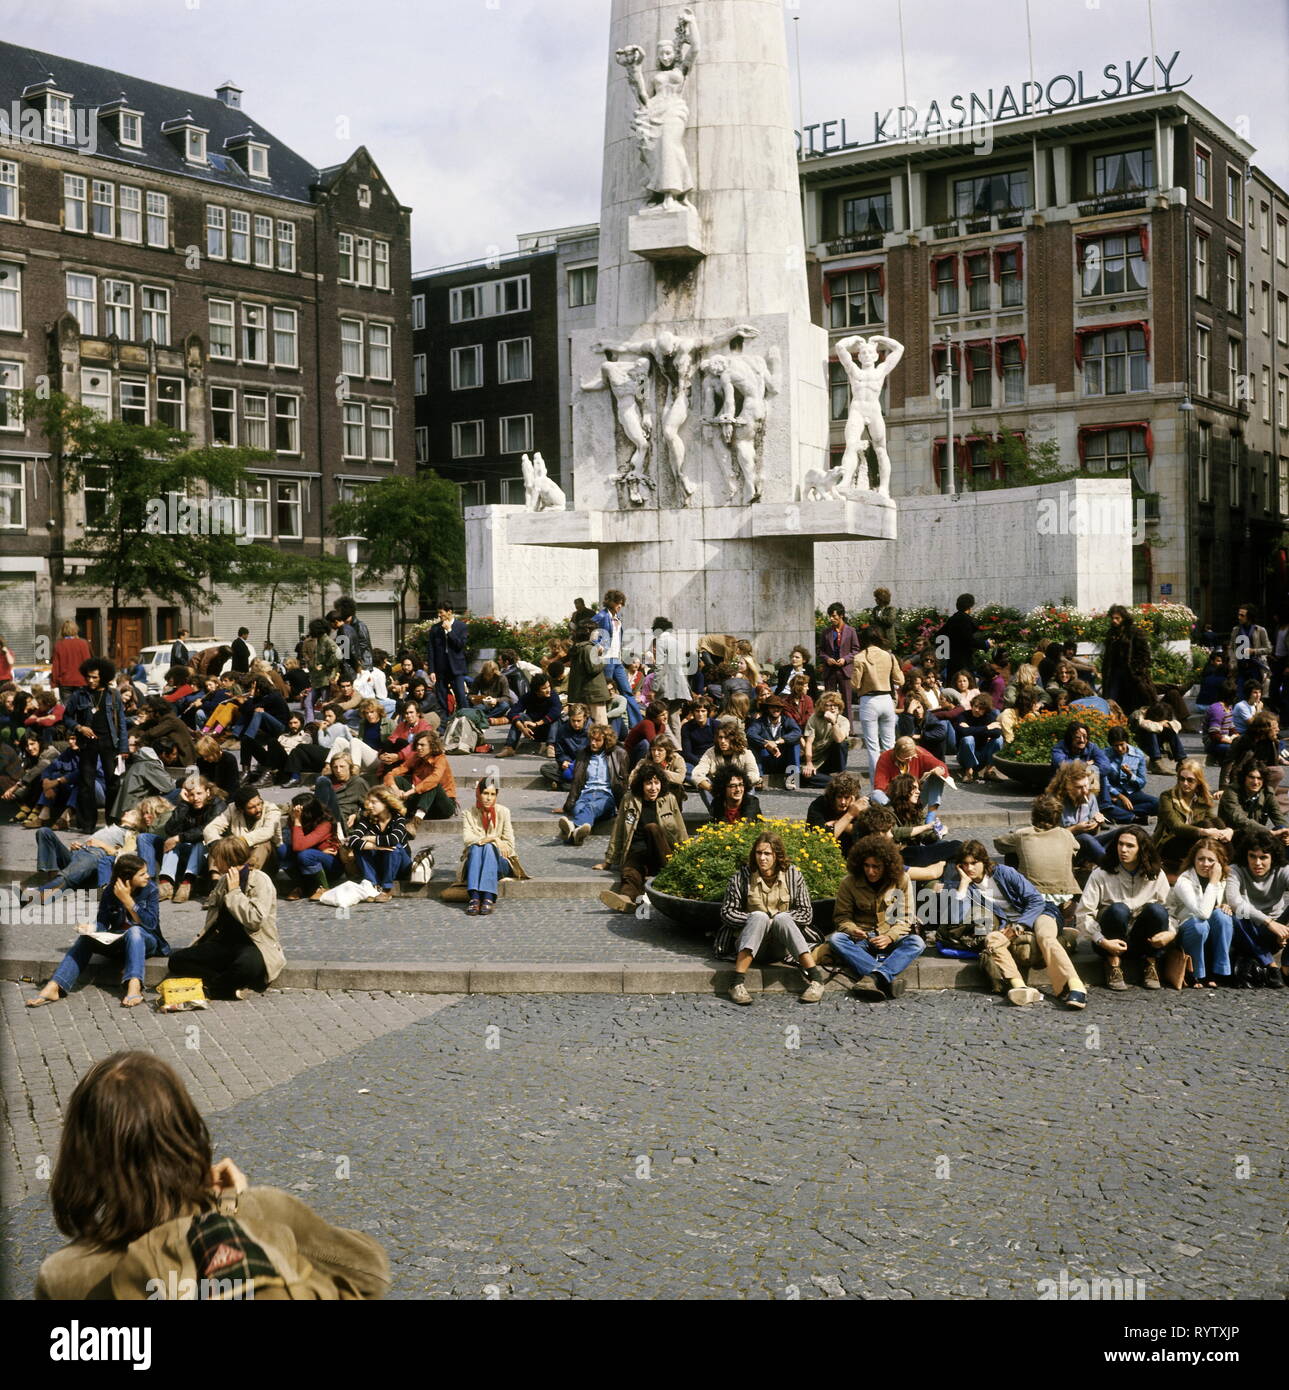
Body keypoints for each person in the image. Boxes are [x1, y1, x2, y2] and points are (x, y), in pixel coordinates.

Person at [34, 1051, 390, 1299]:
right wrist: (235, 1208)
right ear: (187, 1131)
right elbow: (370, 1273)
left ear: (82, 1156)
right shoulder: (266, 1210)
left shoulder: (62, 1275)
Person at [932, 840, 1087, 1008]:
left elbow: (1035, 900)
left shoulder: (1004, 872)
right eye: (965, 864)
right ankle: (1019, 987)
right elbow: (955, 919)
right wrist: (962, 884)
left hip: (1039, 913)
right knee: (992, 939)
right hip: (1009, 925)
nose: (969, 868)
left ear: (983, 861)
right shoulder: (969, 888)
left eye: (974, 863)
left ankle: (1075, 986)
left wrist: (1021, 925)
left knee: (1045, 937)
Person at [26, 855, 165, 1010]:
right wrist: (91, 929)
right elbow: (103, 922)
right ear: (127, 878)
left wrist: (128, 901)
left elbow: (151, 924)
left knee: (134, 931)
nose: (148, 876)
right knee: (85, 939)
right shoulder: (110, 892)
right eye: (142, 874)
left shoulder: (151, 889)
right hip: (118, 940)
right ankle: (55, 986)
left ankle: (134, 985)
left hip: (146, 941)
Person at [717, 832, 828, 1005]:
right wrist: (755, 919)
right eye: (758, 853)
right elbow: (727, 912)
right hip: (751, 944)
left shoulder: (793, 876)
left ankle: (816, 980)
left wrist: (775, 920)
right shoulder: (741, 878)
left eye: (767, 854)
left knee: (783, 918)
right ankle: (736, 984)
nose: (762, 858)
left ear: (777, 855)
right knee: (759, 917)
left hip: (780, 946)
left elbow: (806, 913)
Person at [167, 836, 283, 999]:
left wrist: (235, 892)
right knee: (177, 960)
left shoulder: (260, 880)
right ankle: (226, 986)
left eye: (217, 858)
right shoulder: (223, 880)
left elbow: (255, 920)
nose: (214, 863)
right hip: (224, 944)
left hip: (253, 944)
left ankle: (214, 989)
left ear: (228, 859)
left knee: (247, 966)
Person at [818, 834, 922, 1000]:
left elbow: (906, 917)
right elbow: (841, 917)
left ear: (887, 866)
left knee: (917, 943)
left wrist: (890, 936)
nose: (870, 871)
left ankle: (873, 978)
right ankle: (886, 978)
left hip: (891, 937)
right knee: (837, 940)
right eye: (866, 866)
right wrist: (853, 930)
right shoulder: (849, 883)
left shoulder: (902, 880)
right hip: (862, 939)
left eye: (876, 867)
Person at [1077, 825, 1173, 990]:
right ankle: (1113, 965)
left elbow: (1171, 910)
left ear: (1142, 849)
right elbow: (1083, 914)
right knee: (1118, 909)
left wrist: (1171, 933)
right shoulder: (1101, 873)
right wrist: (1101, 940)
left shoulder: (1156, 874)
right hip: (1109, 942)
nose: (1123, 849)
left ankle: (1150, 963)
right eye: (1120, 844)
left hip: (1143, 942)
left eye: (1130, 846)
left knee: (1157, 910)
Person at [597, 762, 688, 912]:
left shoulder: (669, 799)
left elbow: (681, 829)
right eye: (648, 783)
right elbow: (619, 830)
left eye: (656, 783)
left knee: (652, 828)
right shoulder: (629, 799)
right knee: (630, 871)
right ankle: (626, 899)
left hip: (663, 852)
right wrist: (608, 861)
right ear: (641, 785)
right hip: (638, 850)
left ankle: (665, 877)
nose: (653, 788)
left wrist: (687, 856)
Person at [994, 795, 1084, 929]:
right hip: (1063, 892)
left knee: (1011, 854)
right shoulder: (1066, 834)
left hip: (1033, 892)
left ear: (1034, 815)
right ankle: (1068, 908)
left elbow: (999, 843)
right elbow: (1076, 848)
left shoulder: (1023, 834)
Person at [63, 657, 128, 834]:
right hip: (87, 743)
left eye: (95, 677)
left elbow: (121, 723)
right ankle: (87, 824)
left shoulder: (113, 695)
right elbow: (66, 717)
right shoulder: (79, 695)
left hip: (109, 743)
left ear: (104, 677)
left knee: (113, 782)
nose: (90, 680)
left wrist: (123, 748)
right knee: (86, 783)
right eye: (88, 677)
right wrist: (79, 727)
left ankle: (112, 822)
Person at [138, 775, 222, 903]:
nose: (196, 798)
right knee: (144, 838)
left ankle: (187, 883)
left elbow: (206, 830)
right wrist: (183, 803)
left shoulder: (217, 804)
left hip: (206, 852)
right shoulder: (187, 804)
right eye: (191, 794)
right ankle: (159, 883)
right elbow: (170, 830)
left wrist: (179, 838)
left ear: (208, 792)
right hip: (185, 848)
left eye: (199, 793)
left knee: (200, 841)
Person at [1225, 829, 1289, 986]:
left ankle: (1286, 966)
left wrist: (1286, 930)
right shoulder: (1235, 869)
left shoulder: (1282, 869)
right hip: (1248, 928)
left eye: (1263, 857)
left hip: (1276, 931)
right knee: (1235, 915)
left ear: (1272, 858)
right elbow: (1234, 901)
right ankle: (1271, 965)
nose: (1257, 863)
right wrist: (1268, 922)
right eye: (1252, 856)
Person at [1168, 841, 1235, 988]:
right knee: (1200, 925)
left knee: (1223, 917)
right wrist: (1213, 882)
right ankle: (1195, 973)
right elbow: (1203, 913)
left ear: (1219, 863)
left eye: (1211, 860)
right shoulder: (1184, 881)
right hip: (1186, 929)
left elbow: (1230, 903)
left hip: (1210, 930)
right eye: (1201, 859)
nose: (1205, 864)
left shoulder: (1223, 878)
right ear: (1193, 860)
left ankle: (1219, 971)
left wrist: (1226, 905)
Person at [1154, 759, 1232, 873]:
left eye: (1190, 780)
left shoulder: (1204, 798)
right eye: (1182, 779)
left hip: (1194, 841)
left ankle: (1230, 862)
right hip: (1170, 843)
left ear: (1198, 781)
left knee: (1217, 822)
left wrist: (1227, 831)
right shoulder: (1167, 797)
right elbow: (1176, 826)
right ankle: (1223, 864)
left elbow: (1214, 822)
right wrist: (1204, 832)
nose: (1185, 783)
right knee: (1206, 825)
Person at [558, 722, 629, 844]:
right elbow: (576, 782)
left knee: (591, 808)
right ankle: (576, 837)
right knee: (578, 808)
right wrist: (567, 805)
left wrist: (624, 807)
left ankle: (572, 827)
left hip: (606, 797)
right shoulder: (583, 754)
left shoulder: (619, 754)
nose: (593, 743)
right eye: (591, 739)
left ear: (606, 741)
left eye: (597, 740)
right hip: (585, 795)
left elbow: (623, 782)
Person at [852, 627, 903, 779]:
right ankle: (894, 782)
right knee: (890, 746)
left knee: (873, 748)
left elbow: (855, 684)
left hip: (869, 701)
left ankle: (877, 785)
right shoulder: (889, 656)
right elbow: (900, 680)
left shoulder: (860, 657)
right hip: (887, 699)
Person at [345, 787, 411, 901]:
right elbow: (353, 840)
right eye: (369, 802)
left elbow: (393, 839)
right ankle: (372, 884)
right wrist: (376, 846)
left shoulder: (398, 819)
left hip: (401, 864)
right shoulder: (368, 819)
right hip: (381, 862)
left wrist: (370, 838)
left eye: (374, 802)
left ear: (386, 803)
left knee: (394, 848)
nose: (369, 806)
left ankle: (387, 889)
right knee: (359, 848)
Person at [461, 778, 515, 915]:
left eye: (492, 794)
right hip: (475, 862)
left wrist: (491, 843)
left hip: (500, 862)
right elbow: (468, 839)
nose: (488, 798)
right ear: (478, 793)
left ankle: (485, 896)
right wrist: (493, 838)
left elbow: (509, 844)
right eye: (485, 793)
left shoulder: (504, 812)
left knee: (489, 848)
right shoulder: (468, 813)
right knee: (478, 847)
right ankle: (476, 897)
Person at [202, 783, 284, 873]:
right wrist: (219, 845)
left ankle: (247, 877)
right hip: (240, 856)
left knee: (264, 844)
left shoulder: (271, 809)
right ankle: (216, 880)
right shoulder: (232, 809)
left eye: (259, 803)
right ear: (241, 810)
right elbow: (210, 829)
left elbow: (267, 832)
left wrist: (237, 842)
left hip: (267, 859)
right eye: (251, 807)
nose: (258, 809)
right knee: (218, 846)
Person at [1046, 760, 1114, 865]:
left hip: (1087, 845)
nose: (1085, 791)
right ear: (1066, 787)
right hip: (1064, 849)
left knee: (1122, 833)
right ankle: (1109, 866)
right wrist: (1075, 829)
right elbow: (1049, 837)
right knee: (1085, 838)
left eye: (1086, 785)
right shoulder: (1053, 802)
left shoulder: (1089, 796)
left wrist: (1096, 824)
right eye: (1079, 787)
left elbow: (1094, 834)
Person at [592, 589, 643, 725]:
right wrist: (597, 645)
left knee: (627, 690)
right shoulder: (602, 616)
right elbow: (589, 628)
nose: (619, 605)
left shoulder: (617, 618)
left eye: (621, 603)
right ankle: (603, 721)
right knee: (605, 691)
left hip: (617, 659)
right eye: (617, 602)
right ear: (610, 602)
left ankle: (637, 723)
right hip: (606, 659)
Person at [279, 795, 341, 901]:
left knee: (305, 854)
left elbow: (299, 846)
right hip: (309, 857)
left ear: (306, 813)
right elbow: (295, 845)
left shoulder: (325, 823)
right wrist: (295, 821)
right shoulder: (295, 819)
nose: (292, 811)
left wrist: (297, 822)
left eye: (295, 809)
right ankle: (301, 885)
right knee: (282, 850)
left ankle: (323, 887)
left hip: (330, 864)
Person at [390, 730, 457, 826]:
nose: (418, 748)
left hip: (442, 806)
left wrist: (410, 792)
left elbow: (434, 779)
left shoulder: (440, 759)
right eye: (417, 745)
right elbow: (392, 774)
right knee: (397, 779)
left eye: (422, 745)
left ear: (432, 746)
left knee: (433, 785)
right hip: (422, 802)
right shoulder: (416, 757)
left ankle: (414, 823)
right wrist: (395, 789)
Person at [1218, 757, 1289, 847]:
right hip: (1233, 837)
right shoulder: (1231, 791)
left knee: (1283, 831)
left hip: (1256, 835)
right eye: (1251, 777)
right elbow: (1240, 820)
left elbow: (1279, 817)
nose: (1255, 782)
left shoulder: (1267, 792)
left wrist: (1286, 832)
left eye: (1259, 778)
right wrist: (1268, 832)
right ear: (1244, 777)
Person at [870, 734, 948, 813]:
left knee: (937, 777)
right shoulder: (885, 757)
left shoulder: (919, 752)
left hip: (915, 798)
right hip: (895, 800)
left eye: (912, 756)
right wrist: (902, 791)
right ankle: (894, 814)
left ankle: (931, 815)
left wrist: (940, 769)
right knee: (876, 794)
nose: (910, 760)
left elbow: (942, 765)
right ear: (897, 754)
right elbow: (880, 786)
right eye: (906, 758)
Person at [690, 722, 761, 805]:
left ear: (734, 738)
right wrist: (713, 788)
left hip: (740, 790)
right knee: (703, 782)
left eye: (726, 738)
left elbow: (754, 775)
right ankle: (716, 813)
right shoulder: (710, 752)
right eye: (720, 737)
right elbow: (696, 775)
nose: (722, 741)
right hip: (719, 792)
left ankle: (744, 812)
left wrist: (735, 785)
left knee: (750, 784)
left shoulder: (746, 753)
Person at [1100, 604, 1153, 712]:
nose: (1114, 621)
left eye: (1117, 618)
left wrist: (1136, 669)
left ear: (1123, 618)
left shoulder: (1135, 632)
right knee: (1112, 701)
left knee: (1135, 702)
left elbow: (1145, 654)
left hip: (1131, 674)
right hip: (1114, 673)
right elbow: (1108, 655)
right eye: (1112, 618)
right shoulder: (1111, 633)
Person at [1101, 725, 1159, 823]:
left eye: (1121, 744)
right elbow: (1104, 782)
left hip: (1132, 793)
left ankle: (1121, 814)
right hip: (1114, 795)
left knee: (1158, 803)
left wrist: (1130, 775)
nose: (1119, 749)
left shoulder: (1138, 755)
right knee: (1105, 804)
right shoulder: (1105, 755)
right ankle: (1133, 817)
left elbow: (1142, 783)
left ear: (1126, 741)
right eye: (1115, 746)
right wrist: (1120, 796)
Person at [805, 772, 866, 858]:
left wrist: (837, 823)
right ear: (833, 796)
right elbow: (824, 839)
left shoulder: (858, 807)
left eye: (846, 797)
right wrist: (850, 815)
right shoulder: (818, 805)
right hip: (824, 856)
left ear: (853, 797)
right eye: (839, 797)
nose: (843, 802)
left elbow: (866, 833)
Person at [566, 617, 613, 726]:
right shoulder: (589, 648)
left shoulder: (578, 647)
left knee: (588, 726)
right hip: (595, 693)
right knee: (600, 725)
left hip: (585, 692)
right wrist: (604, 658)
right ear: (590, 633)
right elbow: (593, 668)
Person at [818, 603, 860, 724]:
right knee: (828, 700)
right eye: (830, 616)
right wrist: (827, 659)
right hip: (830, 670)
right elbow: (820, 650)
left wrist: (845, 659)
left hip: (844, 670)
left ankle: (849, 729)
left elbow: (856, 650)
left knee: (846, 700)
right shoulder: (826, 632)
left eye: (834, 616)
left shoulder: (851, 631)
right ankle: (828, 727)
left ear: (841, 616)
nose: (831, 618)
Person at [801, 689, 851, 787]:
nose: (832, 708)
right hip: (816, 758)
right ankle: (837, 783)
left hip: (831, 758)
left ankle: (841, 776)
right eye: (828, 705)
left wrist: (833, 722)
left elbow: (839, 739)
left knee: (842, 744)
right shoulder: (814, 718)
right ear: (822, 707)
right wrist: (809, 763)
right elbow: (809, 742)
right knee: (805, 775)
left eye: (835, 705)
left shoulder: (844, 721)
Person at [427, 601, 470, 715]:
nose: (439, 615)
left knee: (461, 695)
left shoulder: (462, 627)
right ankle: (444, 724)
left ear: (449, 612)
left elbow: (459, 645)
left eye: (441, 612)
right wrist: (431, 670)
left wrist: (450, 631)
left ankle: (466, 720)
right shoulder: (435, 629)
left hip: (456, 668)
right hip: (440, 668)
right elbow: (431, 650)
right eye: (438, 613)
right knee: (441, 698)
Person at [745, 696, 802, 780]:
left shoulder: (787, 720)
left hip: (783, 760)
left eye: (778, 707)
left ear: (782, 709)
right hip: (766, 761)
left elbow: (797, 733)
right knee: (754, 744)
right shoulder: (760, 722)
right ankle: (759, 778)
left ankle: (793, 778)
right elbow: (750, 733)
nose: (776, 709)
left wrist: (778, 742)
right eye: (772, 707)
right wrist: (766, 743)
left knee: (795, 744)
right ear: (767, 708)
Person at [953, 692, 1004, 783]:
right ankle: (969, 772)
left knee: (999, 739)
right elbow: (963, 732)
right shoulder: (964, 715)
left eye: (981, 708)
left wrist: (971, 729)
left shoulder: (989, 716)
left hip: (982, 753)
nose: (976, 709)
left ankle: (989, 771)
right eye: (975, 706)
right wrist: (987, 728)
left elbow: (997, 732)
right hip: (964, 755)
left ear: (986, 710)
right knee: (968, 739)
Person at [937, 593, 989, 682]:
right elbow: (969, 640)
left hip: (952, 661)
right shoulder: (965, 620)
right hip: (963, 662)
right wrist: (986, 644)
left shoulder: (952, 619)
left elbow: (939, 636)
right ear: (970, 606)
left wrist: (945, 653)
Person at [1130, 693, 1186, 774]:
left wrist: (1166, 724)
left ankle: (1181, 760)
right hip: (1142, 742)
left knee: (1171, 729)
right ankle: (1156, 762)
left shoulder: (1165, 712)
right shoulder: (1138, 714)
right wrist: (1161, 724)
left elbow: (1177, 725)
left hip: (1156, 743)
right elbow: (1150, 726)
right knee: (1152, 730)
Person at [541, 704, 590, 789]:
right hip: (570, 764)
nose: (576, 724)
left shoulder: (592, 730)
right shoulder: (563, 730)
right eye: (573, 720)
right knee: (546, 768)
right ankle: (575, 785)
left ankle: (566, 785)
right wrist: (564, 760)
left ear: (585, 718)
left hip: (586, 765)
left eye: (579, 721)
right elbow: (559, 751)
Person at [1227, 603, 1271, 696]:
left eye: (1242, 615)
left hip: (1255, 667)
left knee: (1254, 695)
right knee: (1240, 695)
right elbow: (1231, 648)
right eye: (1238, 614)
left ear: (1249, 617)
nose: (1239, 617)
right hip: (1241, 667)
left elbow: (1268, 649)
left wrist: (1254, 651)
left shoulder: (1260, 630)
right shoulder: (1236, 630)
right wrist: (1232, 661)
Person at [51, 619, 92, 705]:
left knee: (68, 710)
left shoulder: (59, 645)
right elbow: (88, 663)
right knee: (82, 708)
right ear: (76, 630)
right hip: (82, 681)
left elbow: (56, 666)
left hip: (65, 681)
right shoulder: (83, 643)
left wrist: (54, 683)